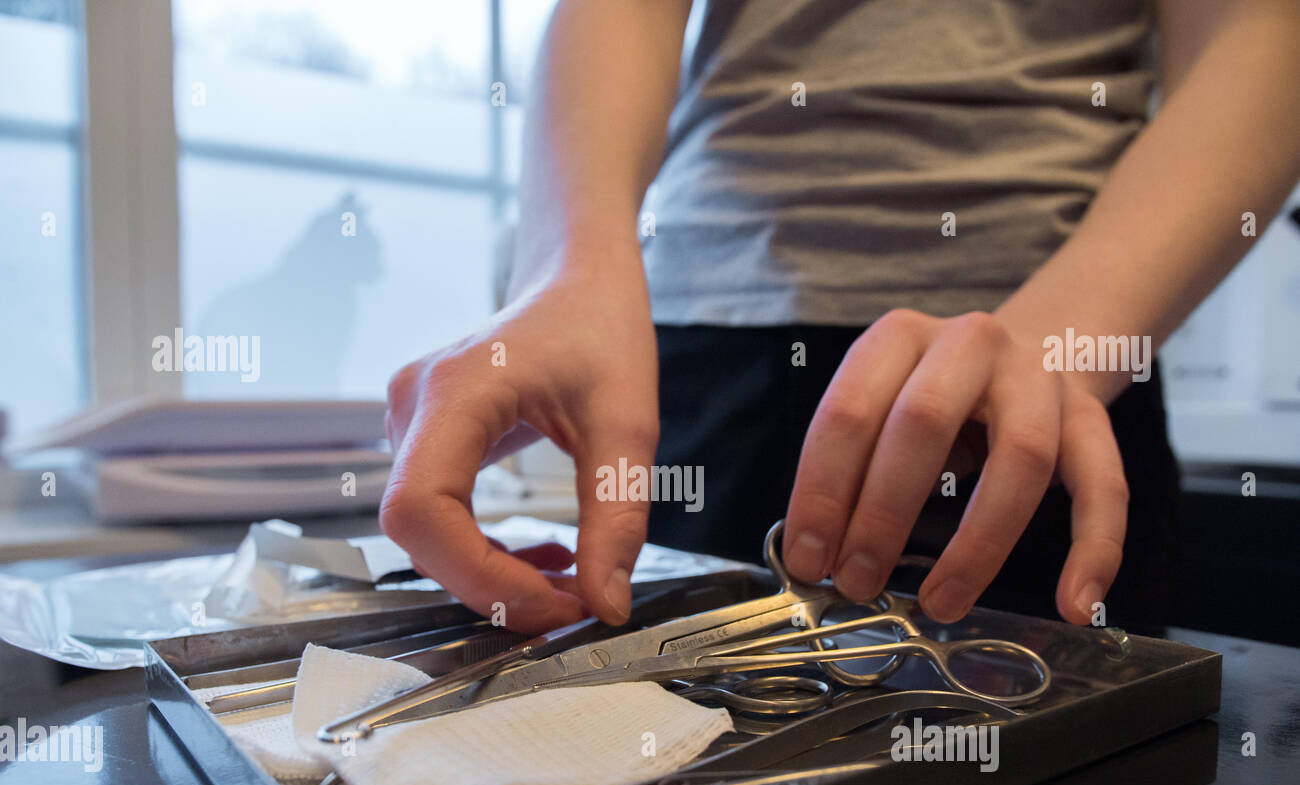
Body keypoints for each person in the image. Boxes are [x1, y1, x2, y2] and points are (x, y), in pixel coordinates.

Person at [380, 0, 1300, 636]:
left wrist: (1069, 333)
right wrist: (566, 266)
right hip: (694, 360)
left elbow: (1259, 28)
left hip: (1045, 392)